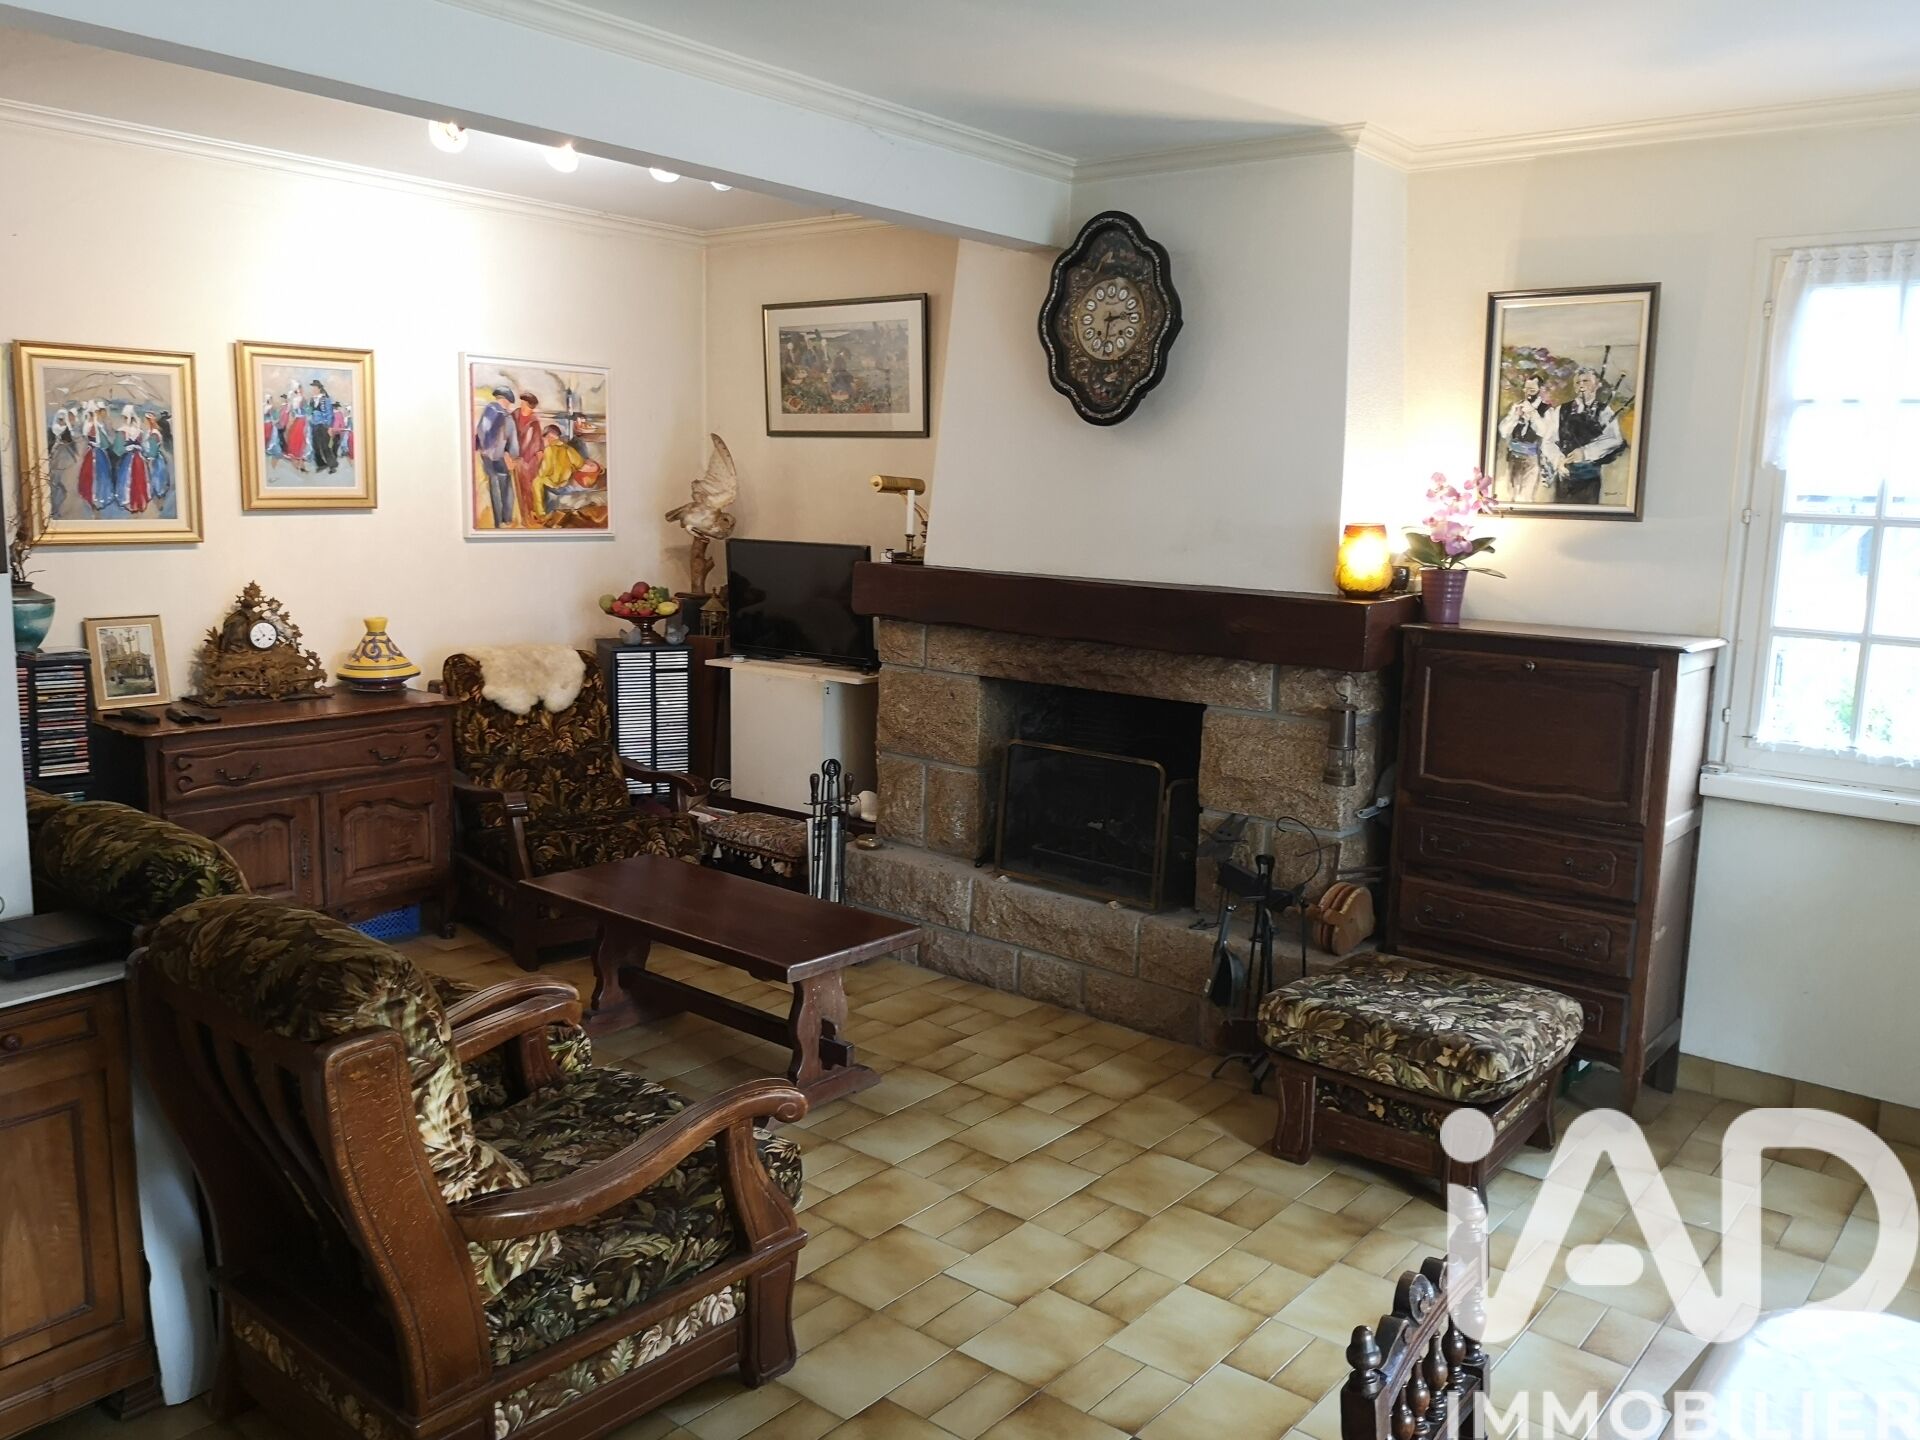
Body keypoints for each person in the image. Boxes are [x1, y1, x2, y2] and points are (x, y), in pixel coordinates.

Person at [1540, 366, 1625, 506]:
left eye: (1586, 381)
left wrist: (1585, 452)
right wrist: (1558, 460)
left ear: (1597, 385)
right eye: (1577, 382)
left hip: (1589, 478)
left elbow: (1614, 439)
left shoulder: (1604, 411)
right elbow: (1548, 441)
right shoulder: (1561, 410)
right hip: (1564, 478)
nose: (1581, 385)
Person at [1495, 373, 1551, 503]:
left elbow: (1544, 432)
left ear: (1540, 389)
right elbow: (1503, 431)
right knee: (1511, 494)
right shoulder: (1517, 406)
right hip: (1514, 457)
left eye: (1532, 390)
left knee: (1526, 497)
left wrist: (1532, 413)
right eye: (1526, 389)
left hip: (1532, 458)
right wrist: (1515, 416)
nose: (1528, 393)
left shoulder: (1546, 409)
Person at [529, 422, 600, 523]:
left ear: (548, 437)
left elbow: (543, 472)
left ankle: (541, 514)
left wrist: (539, 460)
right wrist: (594, 468)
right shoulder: (568, 449)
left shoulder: (548, 450)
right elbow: (580, 464)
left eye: (544, 439)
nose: (544, 441)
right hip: (565, 482)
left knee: (537, 482)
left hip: (553, 483)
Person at [474, 384, 519, 526]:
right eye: (508, 402)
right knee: (505, 486)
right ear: (505, 400)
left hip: (486, 456)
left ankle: (498, 521)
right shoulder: (507, 417)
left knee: (494, 485)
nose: (509, 405)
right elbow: (512, 440)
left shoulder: (487, 412)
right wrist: (513, 456)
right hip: (501, 457)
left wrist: (483, 449)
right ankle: (507, 518)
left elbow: (480, 432)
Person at [510, 391, 545, 522]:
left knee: (529, 486)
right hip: (516, 457)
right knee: (519, 487)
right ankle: (523, 515)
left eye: (526, 405)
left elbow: (539, 442)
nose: (523, 406)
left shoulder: (534, 421)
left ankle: (531, 512)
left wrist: (539, 456)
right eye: (523, 404)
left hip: (530, 460)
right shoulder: (513, 416)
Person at [114, 404, 150, 513]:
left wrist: (124, 449)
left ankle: (128, 502)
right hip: (139, 459)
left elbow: (118, 449)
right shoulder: (139, 431)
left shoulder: (122, 431)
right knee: (138, 479)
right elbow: (144, 446)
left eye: (124, 417)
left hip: (128, 458)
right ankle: (140, 502)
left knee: (127, 478)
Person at [306, 380, 339, 474]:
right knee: (315, 446)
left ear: (319, 388)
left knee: (325, 446)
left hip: (323, 425)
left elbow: (329, 414)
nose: (313, 389)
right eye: (313, 387)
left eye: (315, 387)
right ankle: (321, 464)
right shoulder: (312, 400)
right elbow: (310, 411)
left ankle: (332, 465)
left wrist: (329, 426)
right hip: (314, 425)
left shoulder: (326, 399)